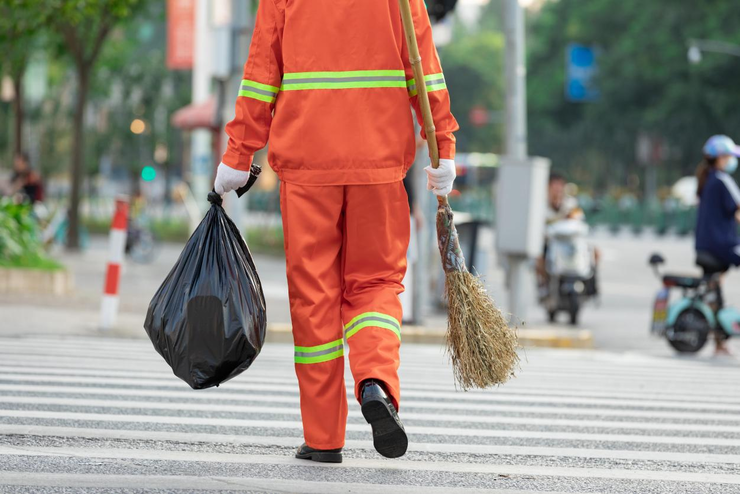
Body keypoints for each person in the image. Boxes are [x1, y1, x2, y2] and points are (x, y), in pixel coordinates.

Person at [214, 0, 458, 462]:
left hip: (307, 165)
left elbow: (262, 69)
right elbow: (424, 68)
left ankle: (324, 438)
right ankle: (376, 382)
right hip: (380, 164)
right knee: (376, 284)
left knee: (314, 297)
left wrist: (238, 154)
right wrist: (442, 144)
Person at [695, 135, 740, 356]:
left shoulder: (706, 180)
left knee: (714, 289)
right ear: (721, 158)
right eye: (730, 156)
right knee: (715, 285)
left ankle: (719, 343)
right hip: (723, 244)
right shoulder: (722, 180)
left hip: (705, 244)